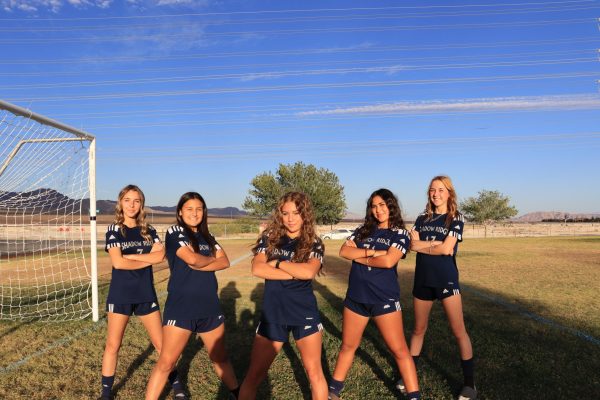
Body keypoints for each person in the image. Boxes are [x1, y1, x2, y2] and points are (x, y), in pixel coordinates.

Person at [145, 192, 239, 400]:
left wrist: (200, 261)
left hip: (210, 307)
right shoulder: (175, 231)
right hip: (182, 308)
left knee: (220, 358)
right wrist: (205, 261)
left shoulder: (208, 236)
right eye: (189, 209)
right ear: (180, 212)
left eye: (198, 209)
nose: (194, 213)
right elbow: (191, 259)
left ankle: (238, 394)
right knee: (167, 362)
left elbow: (224, 262)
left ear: (204, 212)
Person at [328, 188, 420, 400]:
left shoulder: (399, 233)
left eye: (382, 205)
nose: (378, 210)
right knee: (348, 346)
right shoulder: (363, 230)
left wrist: (359, 255)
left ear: (391, 206)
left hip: (383, 299)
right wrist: (372, 253)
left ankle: (414, 396)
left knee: (399, 350)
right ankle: (333, 392)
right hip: (355, 299)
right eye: (374, 206)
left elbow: (389, 261)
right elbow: (343, 251)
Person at [239, 192, 327, 400]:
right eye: (285, 213)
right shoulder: (270, 238)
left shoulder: (314, 242)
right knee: (254, 376)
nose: (290, 218)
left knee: (315, 374)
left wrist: (278, 263)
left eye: (296, 213)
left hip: (304, 313)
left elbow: (308, 273)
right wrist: (295, 272)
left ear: (305, 214)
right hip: (274, 313)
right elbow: (258, 270)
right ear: (280, 215)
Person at [397, 176, 477, 400]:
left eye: (441, 190)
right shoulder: (422, 218)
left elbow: (447, 250)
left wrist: (428, 245)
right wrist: (435, 244)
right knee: (418, 330)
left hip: (446, 279)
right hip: (423, 279)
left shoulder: (455, 218)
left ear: (449, 193)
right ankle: (408, 376)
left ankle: (470, 385)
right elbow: (412, 245)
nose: (436, 194)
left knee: (458, 331)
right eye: (432, 190)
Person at [100, 184, 179, 399]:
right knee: (113, 345)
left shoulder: (149, 231)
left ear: (141, 204)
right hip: (121, 294)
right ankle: (106, 394)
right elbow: (118, 264)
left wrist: (130, 257)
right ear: (120, 203)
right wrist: (143, 259)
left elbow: (160, 257)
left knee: (162, 345)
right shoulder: (114, 229)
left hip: (146, 293)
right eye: (127, 200)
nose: (132, 205)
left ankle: (178, 387)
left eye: (136, 200)